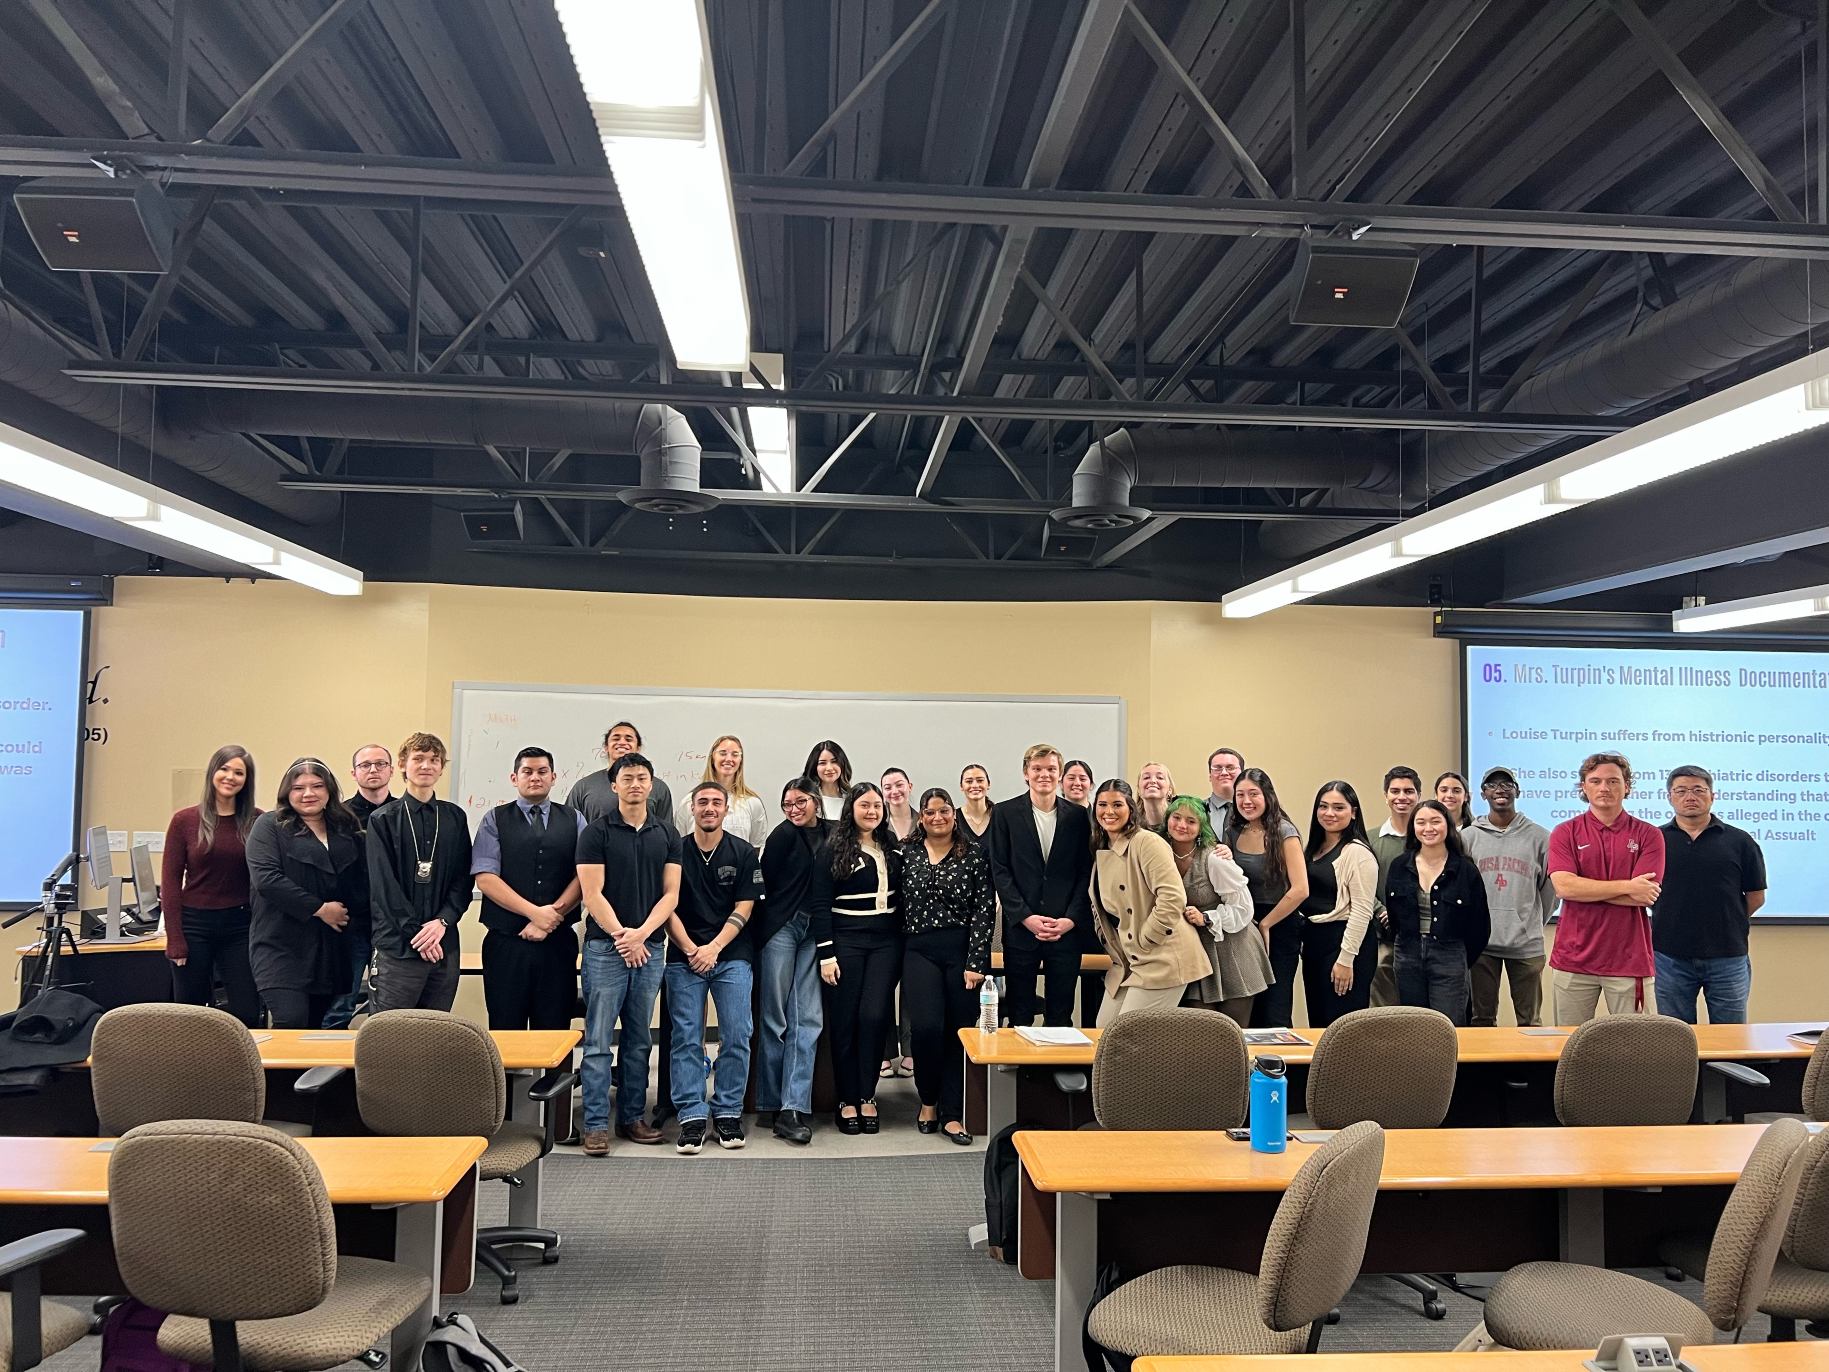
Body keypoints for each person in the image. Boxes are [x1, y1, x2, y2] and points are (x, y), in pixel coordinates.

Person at [575, 751, 680, 1154]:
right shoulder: (596, 833)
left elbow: (671, 894)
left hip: (650, 949)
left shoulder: (667, 835)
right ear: (613, 785)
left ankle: (632, 1118)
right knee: (599, 1040)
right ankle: (596, 1125)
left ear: (651, 785)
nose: (635, 784)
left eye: (642, 778)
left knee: (639, 1040)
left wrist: (642, 936)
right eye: (627, 778)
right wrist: (623, 936)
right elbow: (591, 893)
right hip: (606, 949)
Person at [664, 782, 765, 1155]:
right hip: (683, 956)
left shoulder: (742, 852)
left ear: (726, 810)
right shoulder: (675, 852)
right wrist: (693, 949)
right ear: (693, 808)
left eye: (716, 803)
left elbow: (745, 907)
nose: (709, 808)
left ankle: (726, 1111)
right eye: (702, 802)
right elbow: (667, 907)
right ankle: (691, 1114)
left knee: (737, 1033)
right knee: (686, 1037)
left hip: (732, 955)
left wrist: (714, 948)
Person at [899, 787, 994, 1144]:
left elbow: (984, 910)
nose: (937, 818)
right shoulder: (906, 853)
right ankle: (928, 1100)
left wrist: (976, 961)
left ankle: (953, 1113)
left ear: (954, 815)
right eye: (930, 812)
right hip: (918, 951)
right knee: (925, 1028)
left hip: (961, 954)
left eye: (944, 812)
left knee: (958, 1032)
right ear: (920, 817)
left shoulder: (974, 854)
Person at [246, 758, 368, 1029]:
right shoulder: (269, 825)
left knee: (315, 1028)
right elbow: (267, 880)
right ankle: (275, 1074)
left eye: (317, 786)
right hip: (281, 946)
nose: (308, 794)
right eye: (298, 787)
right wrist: (321, 909)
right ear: (287, 793)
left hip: (330, 949)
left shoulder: (345, 827)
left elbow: (359, 882)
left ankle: (303, 1075)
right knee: (291, 1020)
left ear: (329, 791)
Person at [471, 747, 585, 1032]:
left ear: (554, 777)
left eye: (542, 771)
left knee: (556, 1028)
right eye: (527, 772)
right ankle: (506, 1080)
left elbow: (586, 875)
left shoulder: (575, 819)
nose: (535, 777)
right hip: (507, 942)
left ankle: (555, 1080)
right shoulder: (494, 819)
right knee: (505, 1026)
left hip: (557, 944)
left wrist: (551, 918)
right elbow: (485, 877)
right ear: (514, 777)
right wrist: (535, 914)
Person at [1547, 752, 1667, 1023]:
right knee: (1569, 1045)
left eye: (1613, 781)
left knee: (1636, 1047)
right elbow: (1565, 887)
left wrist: (1585, 889)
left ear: (1627, 786)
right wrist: (1626, 886)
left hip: (1629, 959)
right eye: (1596, 781)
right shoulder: (1565, 832)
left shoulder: (1648, 834)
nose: (1604, 788)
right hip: (1573, 958)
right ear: (1584, 787)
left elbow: (1644, 895)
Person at [814, 782, 903, 1135]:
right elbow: (820, 906)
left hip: (886, 946)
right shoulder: (833, 850)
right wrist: (826, 955)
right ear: (851, 808)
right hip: (845, 944)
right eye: (864, 805)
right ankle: (846, 1098)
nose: (871, 811)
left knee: (874, 1017)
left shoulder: (892, 848)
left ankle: (868, 1094)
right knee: (845, 1022)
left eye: (877, 806)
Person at [365, 733, 472, 1014]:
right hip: (398, 947)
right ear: (402, 764)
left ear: (441, 767)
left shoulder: (455, 817)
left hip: (443, 946)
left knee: (435, 1036)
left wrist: (442, 922)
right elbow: (383, 886)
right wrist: (418, 936)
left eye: (434, 760)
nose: (427, 765)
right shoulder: (383, 819)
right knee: (389, 1036)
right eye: (419, 759)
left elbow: (463, 879)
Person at [988, 743, 1093, 1027]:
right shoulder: (1004, 813)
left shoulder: (1079, 816)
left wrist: (1071, 919)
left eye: (1051, 769)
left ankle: (1054, 1072)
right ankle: (1024, 1073)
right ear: (1026, 773)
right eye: (1037, 769)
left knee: (1060, 1014)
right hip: (1022, 931)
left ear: (1060, 775)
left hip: (1065, 931)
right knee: (1019, 1013)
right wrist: (1025, 917)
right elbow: (1000, 869)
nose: (1044, 775)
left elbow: (1085, 872)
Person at [1089, 780, 1210, 1026]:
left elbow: (1173, 896)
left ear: (1131, 809)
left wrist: (1146, 939)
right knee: (1101, 1035)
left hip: (1162, 956)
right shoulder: (1103, 846)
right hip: (1128, 961)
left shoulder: (1146, 842)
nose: (1108, 811)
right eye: (1102, 805)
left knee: (1126, 1039)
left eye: (1117, 804)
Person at [1654, 766, 1767, 1025]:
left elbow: (1756, 896)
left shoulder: (1740, 841)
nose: (1690, 796)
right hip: (1669, 957)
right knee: (1675, 1039)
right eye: (1681, 791)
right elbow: (1643, 892)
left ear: (1712, 796)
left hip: (1728, 955)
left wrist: (1725, 918)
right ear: (1670, 797)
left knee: (1731, 1039)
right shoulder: (1655, 840)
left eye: (1698, 790)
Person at [161, 744, 262, 1026]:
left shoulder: (257, 820)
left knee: (246, 1010)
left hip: (241, 926)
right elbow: (170, 883)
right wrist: (175, 940)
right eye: (224, 769)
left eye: (238, 772)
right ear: (212, 773)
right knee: (190, 1011)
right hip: (195, 925)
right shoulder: (185, 820)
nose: (230, 777)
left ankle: (245, 1069)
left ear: (246, 780)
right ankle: (192, 1069)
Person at [756, 777, 827, 1145]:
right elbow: (763, 885)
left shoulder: (832, 833)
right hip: (782, 929)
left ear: (816, 801)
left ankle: (792, 1106)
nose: (794, 809)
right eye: (787, 804)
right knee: (775, 1018)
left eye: (801, 802)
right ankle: (770, 1102)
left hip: (816, 932)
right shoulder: (782, 836)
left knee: (809, 1019)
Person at [1162, 794, 1267, 1024]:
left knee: (1234, 1033)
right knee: (1197, 1035)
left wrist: (1207, 918)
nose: (1181, 825)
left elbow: (1243, 908)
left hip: (1232, 948)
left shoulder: (1215, 858)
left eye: (1191, 821)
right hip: (1193, 953)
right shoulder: (1159, 853)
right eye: (1176, 818)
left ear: (1201, 827)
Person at [1463, 766, 1555, 1027]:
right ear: (1483, 794)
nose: (1500, 789)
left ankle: (1529, 1071)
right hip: (1482, 945)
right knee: (1481, 1019)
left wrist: (1531, 921)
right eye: (1492, 785)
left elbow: (1549, 890)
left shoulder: (1540, 837)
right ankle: (1485, 1071)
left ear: (1518, 791)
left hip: (1526, 945)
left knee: (1530, 1022)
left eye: (1507, 783)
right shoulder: (1467, 837)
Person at [1383, 799, 1489, 1024]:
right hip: (1407, 953)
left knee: (1448, 1026)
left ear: (1448, 826)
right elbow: (1394, 916)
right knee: (1413, 1027)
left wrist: (1458, 957)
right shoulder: (1399, 866)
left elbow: (1480, 925)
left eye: (1435, 822)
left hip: (1450, 954)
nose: (1428, 828)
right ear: (1413, 828)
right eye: (1420, 822)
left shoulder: (1465, 870)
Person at [1226, 768, 1308, 1028]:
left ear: (1268, 796)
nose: (1246, 801)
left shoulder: (1284, 832)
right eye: (1240, 795)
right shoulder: (1233, 831)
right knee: (1249, 1008)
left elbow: (1300, 889)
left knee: (1275, 1008)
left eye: (1253, 794)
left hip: (1279, 924)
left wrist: (1266, 924)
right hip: (1244, 925)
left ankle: (1281, 1069)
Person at [323, 742, 392, 1027]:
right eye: (365, 765)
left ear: (392, 769)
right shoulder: (337, 817)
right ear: (353, 773)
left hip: (392, 927)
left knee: (389, 1013)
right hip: (348, 926)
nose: (373, 770)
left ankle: (381, 1072)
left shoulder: (404, 814)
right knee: (340, 1006)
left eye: (380, 764)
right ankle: (328, 1072)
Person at [1299, 781, 1379, 1027]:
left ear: (1353, 812)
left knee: (1343, 1026)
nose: (1329, 813)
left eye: (1338, 807)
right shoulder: (1314, 849)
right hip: (1315, 943)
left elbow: (1362, 911)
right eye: (1323, 807)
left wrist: (1346, 960)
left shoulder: (1358, 854)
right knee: (1319, 1022)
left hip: (1345, 945)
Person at [1367, 766, 1421, 1007]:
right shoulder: (1369, 839)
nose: (1402, 797)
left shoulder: (1430, 837)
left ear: (1418, 795)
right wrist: (1381, 911)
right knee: (1383, 1010)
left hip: (1422, 938)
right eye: (1395, 791)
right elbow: (1360, 886)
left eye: (1409, 791)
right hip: (1382, 937)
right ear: (1385, 795)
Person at [877, 766, 918, 1078]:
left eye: (899, 785)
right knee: (884, 981)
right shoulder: (877, 825)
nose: (894, 791)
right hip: (886, 912)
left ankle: (910, 1050)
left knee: (913, 984)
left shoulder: (925, 820)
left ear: (910, 786)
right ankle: (885, 1051)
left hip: (918, 913)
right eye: (887, 787)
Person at [567, 721, 676, 834]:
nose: (622, 742)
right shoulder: (584, 786)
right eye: (616, 738)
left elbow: (666, 833)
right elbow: (570, 830)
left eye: (629, 739)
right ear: (606, 747)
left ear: (638, 748)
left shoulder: (659, 788)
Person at [678, 735, 769, 846]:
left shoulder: (752, 803)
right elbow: (679, 844)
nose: (728, 759)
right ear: (712, 758)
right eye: (722, 753)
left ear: (741, 760)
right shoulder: (689, 802)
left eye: (735, 754)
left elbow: (756, 847)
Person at [804, 740, 853, 821]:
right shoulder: (807, 800)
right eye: (822, 763)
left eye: (834, 761)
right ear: (814, 767)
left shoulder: (852, 799)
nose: (829, 768)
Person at [1205, 747, 1245, 834]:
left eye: (1230, 768)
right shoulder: (1198, 811)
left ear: (1242, 774)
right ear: (1210, 776)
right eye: (1217, 768)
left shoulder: (1254, 809)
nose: (1224, 773)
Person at [959, 763, 995, 840]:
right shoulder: (954, 818)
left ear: (988, 784)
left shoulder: (1000, 816)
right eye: (969, 781)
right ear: (961, 786)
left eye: (980, 780)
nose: (975, 785)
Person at [1136, 761, 1175, 831]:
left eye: (1160, 777)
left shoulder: (1180, 822)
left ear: (1170, 789)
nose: (1152, 781)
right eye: (1146, 777)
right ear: (1139, 790)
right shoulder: (1131, 825)